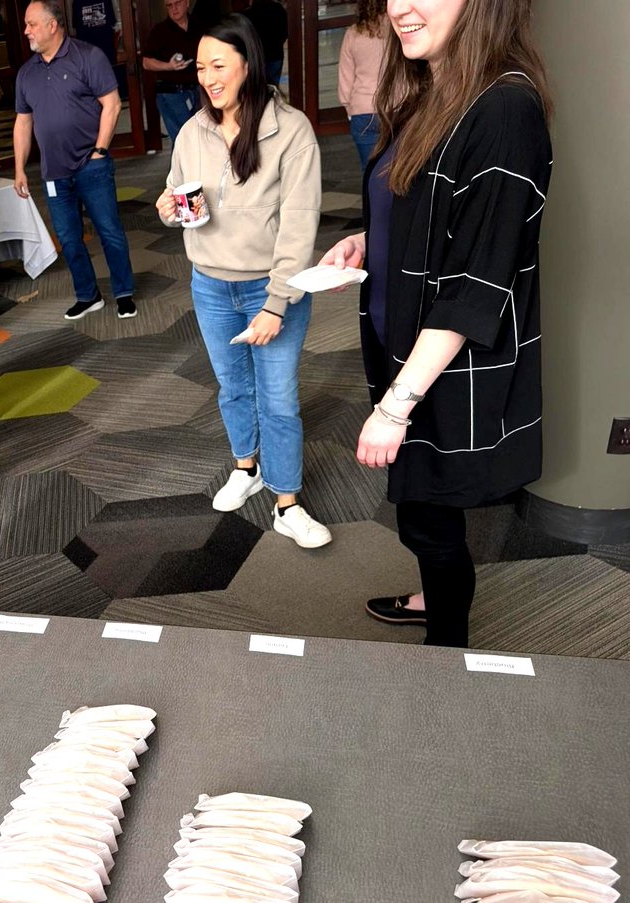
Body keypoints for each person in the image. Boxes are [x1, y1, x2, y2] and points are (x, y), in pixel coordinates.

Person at [320, 0, 553, 647]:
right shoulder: (437, 87)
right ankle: (436, 596)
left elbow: (475, 286)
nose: (401, 6)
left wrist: (395, 408)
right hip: (409, 345)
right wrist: (368, 242)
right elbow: (421, 205)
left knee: (427, 514)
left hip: (446, 365)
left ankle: (446, 648)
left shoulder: (506, 110)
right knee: (422, 509)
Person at [156, 15, 331, 549]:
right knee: (234, 388)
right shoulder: (193, 130)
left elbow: (300, 228)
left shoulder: (291, 131)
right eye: (201, 67)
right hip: (209, 284)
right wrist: (167, 209)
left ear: (248, 66)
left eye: (218, 66)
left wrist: (276, 304)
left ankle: (287, 502)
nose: (207, 77)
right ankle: (246, 467)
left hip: (270, 289)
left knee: (278, 399)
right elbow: (174, 198)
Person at [14, 0, 137, 321]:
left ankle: (123, 292)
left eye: (31, 24)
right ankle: (88, 295)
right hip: (53, 173)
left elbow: (111, 104)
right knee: (69, 240)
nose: (26, 31)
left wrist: (99, 151)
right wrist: (19, 169)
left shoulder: (87, 57)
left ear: (52, 25)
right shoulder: (27, 73)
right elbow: (22, 123)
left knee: (109, 231)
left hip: (90, 166)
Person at [142, 0, 203, 145]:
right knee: (183, 140)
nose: (174, 8)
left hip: (198, 90)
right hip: (171, 93)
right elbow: (146, 62)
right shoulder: (159, 31)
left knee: (202, 137)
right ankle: (184, 167)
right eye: (169, 5)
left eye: (177, 3)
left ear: (187, 3)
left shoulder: (199, 25)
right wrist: (168, 66)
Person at [337, 0, 387, 169]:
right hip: (398, 108)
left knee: (370, 171)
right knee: (402, 170)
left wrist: (349, 108)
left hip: (362, 112)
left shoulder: (352, 34)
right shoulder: (397, 29)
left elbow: (345, 78)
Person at [243, 0, 287, 85]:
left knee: (257, 88)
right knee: (273, 86)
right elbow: (285, 33)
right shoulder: (279, 9)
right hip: (275, 54)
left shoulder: (247, 14)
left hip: (256, 58)